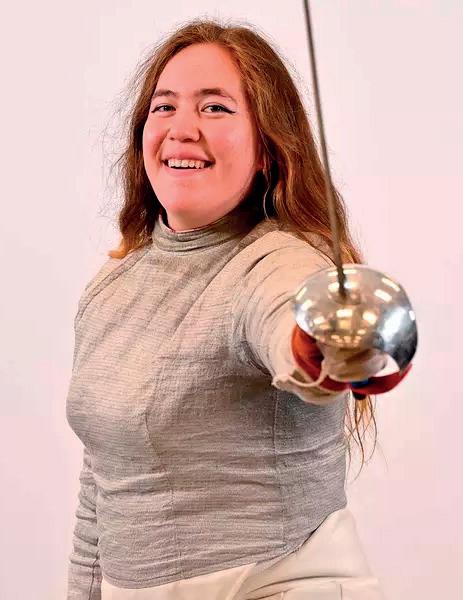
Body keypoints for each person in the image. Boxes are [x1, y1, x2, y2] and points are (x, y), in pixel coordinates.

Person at [66, 19, 411, 600]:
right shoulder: (114, 284)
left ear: (267, 150)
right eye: (164, 107)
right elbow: (100, 483)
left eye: (216, 108)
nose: (182, 129)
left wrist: (321, 345)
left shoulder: (276, 261)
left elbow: (287, 316)